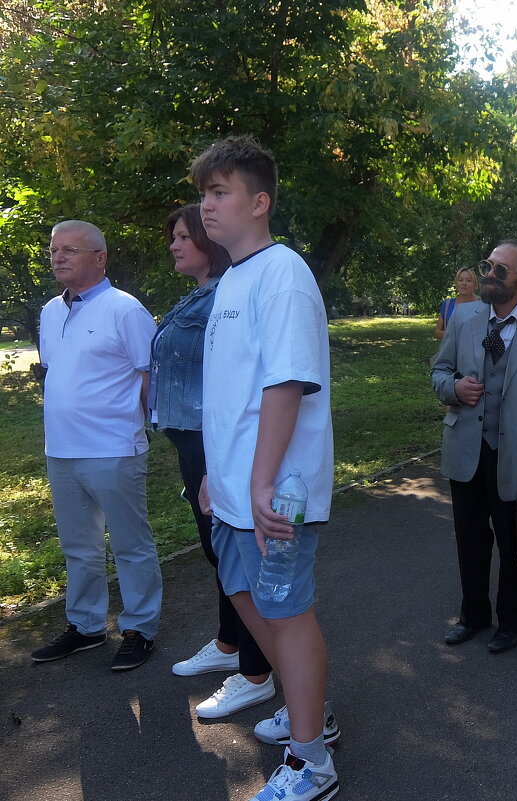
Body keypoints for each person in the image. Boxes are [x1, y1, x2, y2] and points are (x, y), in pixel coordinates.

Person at [192, 135, 339, 800]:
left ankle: (311, 762)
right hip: (232, 487)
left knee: (286, 612)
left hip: (275, 490)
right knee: (250, 603)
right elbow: (233, 392)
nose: (207, 206)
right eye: (203, 193)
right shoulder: (233, 277)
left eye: (219, 192)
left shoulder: (282, 272)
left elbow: (285, 382)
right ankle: (316, 717)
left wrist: (256, 482)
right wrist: (216, 474)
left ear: (260, 201)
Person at [151, 204, 275, 718]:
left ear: (208, 240)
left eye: (184, 236)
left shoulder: (227, 294)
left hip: (213, 438)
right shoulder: (198, 296)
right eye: (174, 236)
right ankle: (229, 644)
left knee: (233, 556)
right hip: (191, 439)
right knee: (217, 552)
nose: (175, 244)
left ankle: (255, 672)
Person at [30, 221, 161, 671]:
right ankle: (86, 627)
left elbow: (149, 375)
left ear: (100, 258)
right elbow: (57, 371)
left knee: (130, 544)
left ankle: (140, 628)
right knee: (79, 547)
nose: (58, 257)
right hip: (61, 451)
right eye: (53, 250)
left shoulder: (125, 310)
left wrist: (155, 430)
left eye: (70, 250)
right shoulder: (50, 311)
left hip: (114, 449)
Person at [431, 239, 517, 655]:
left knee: (515, 545)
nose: (489, 274)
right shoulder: (465, 316)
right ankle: (473, 615)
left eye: (499, 270)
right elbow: (438, 370)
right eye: (488, 265)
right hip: (466, 449)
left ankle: (512, 622)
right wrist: (452, 388)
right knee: (469, 540)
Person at [434, 266, 479, 339]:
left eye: (468, 280)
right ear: (456, 283)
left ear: (475, 285)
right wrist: (451, 334)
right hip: (451, 349)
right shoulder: (447, 305)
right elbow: (437, 331)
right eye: (460, 280)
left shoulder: (482, 306)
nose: (464, 283)